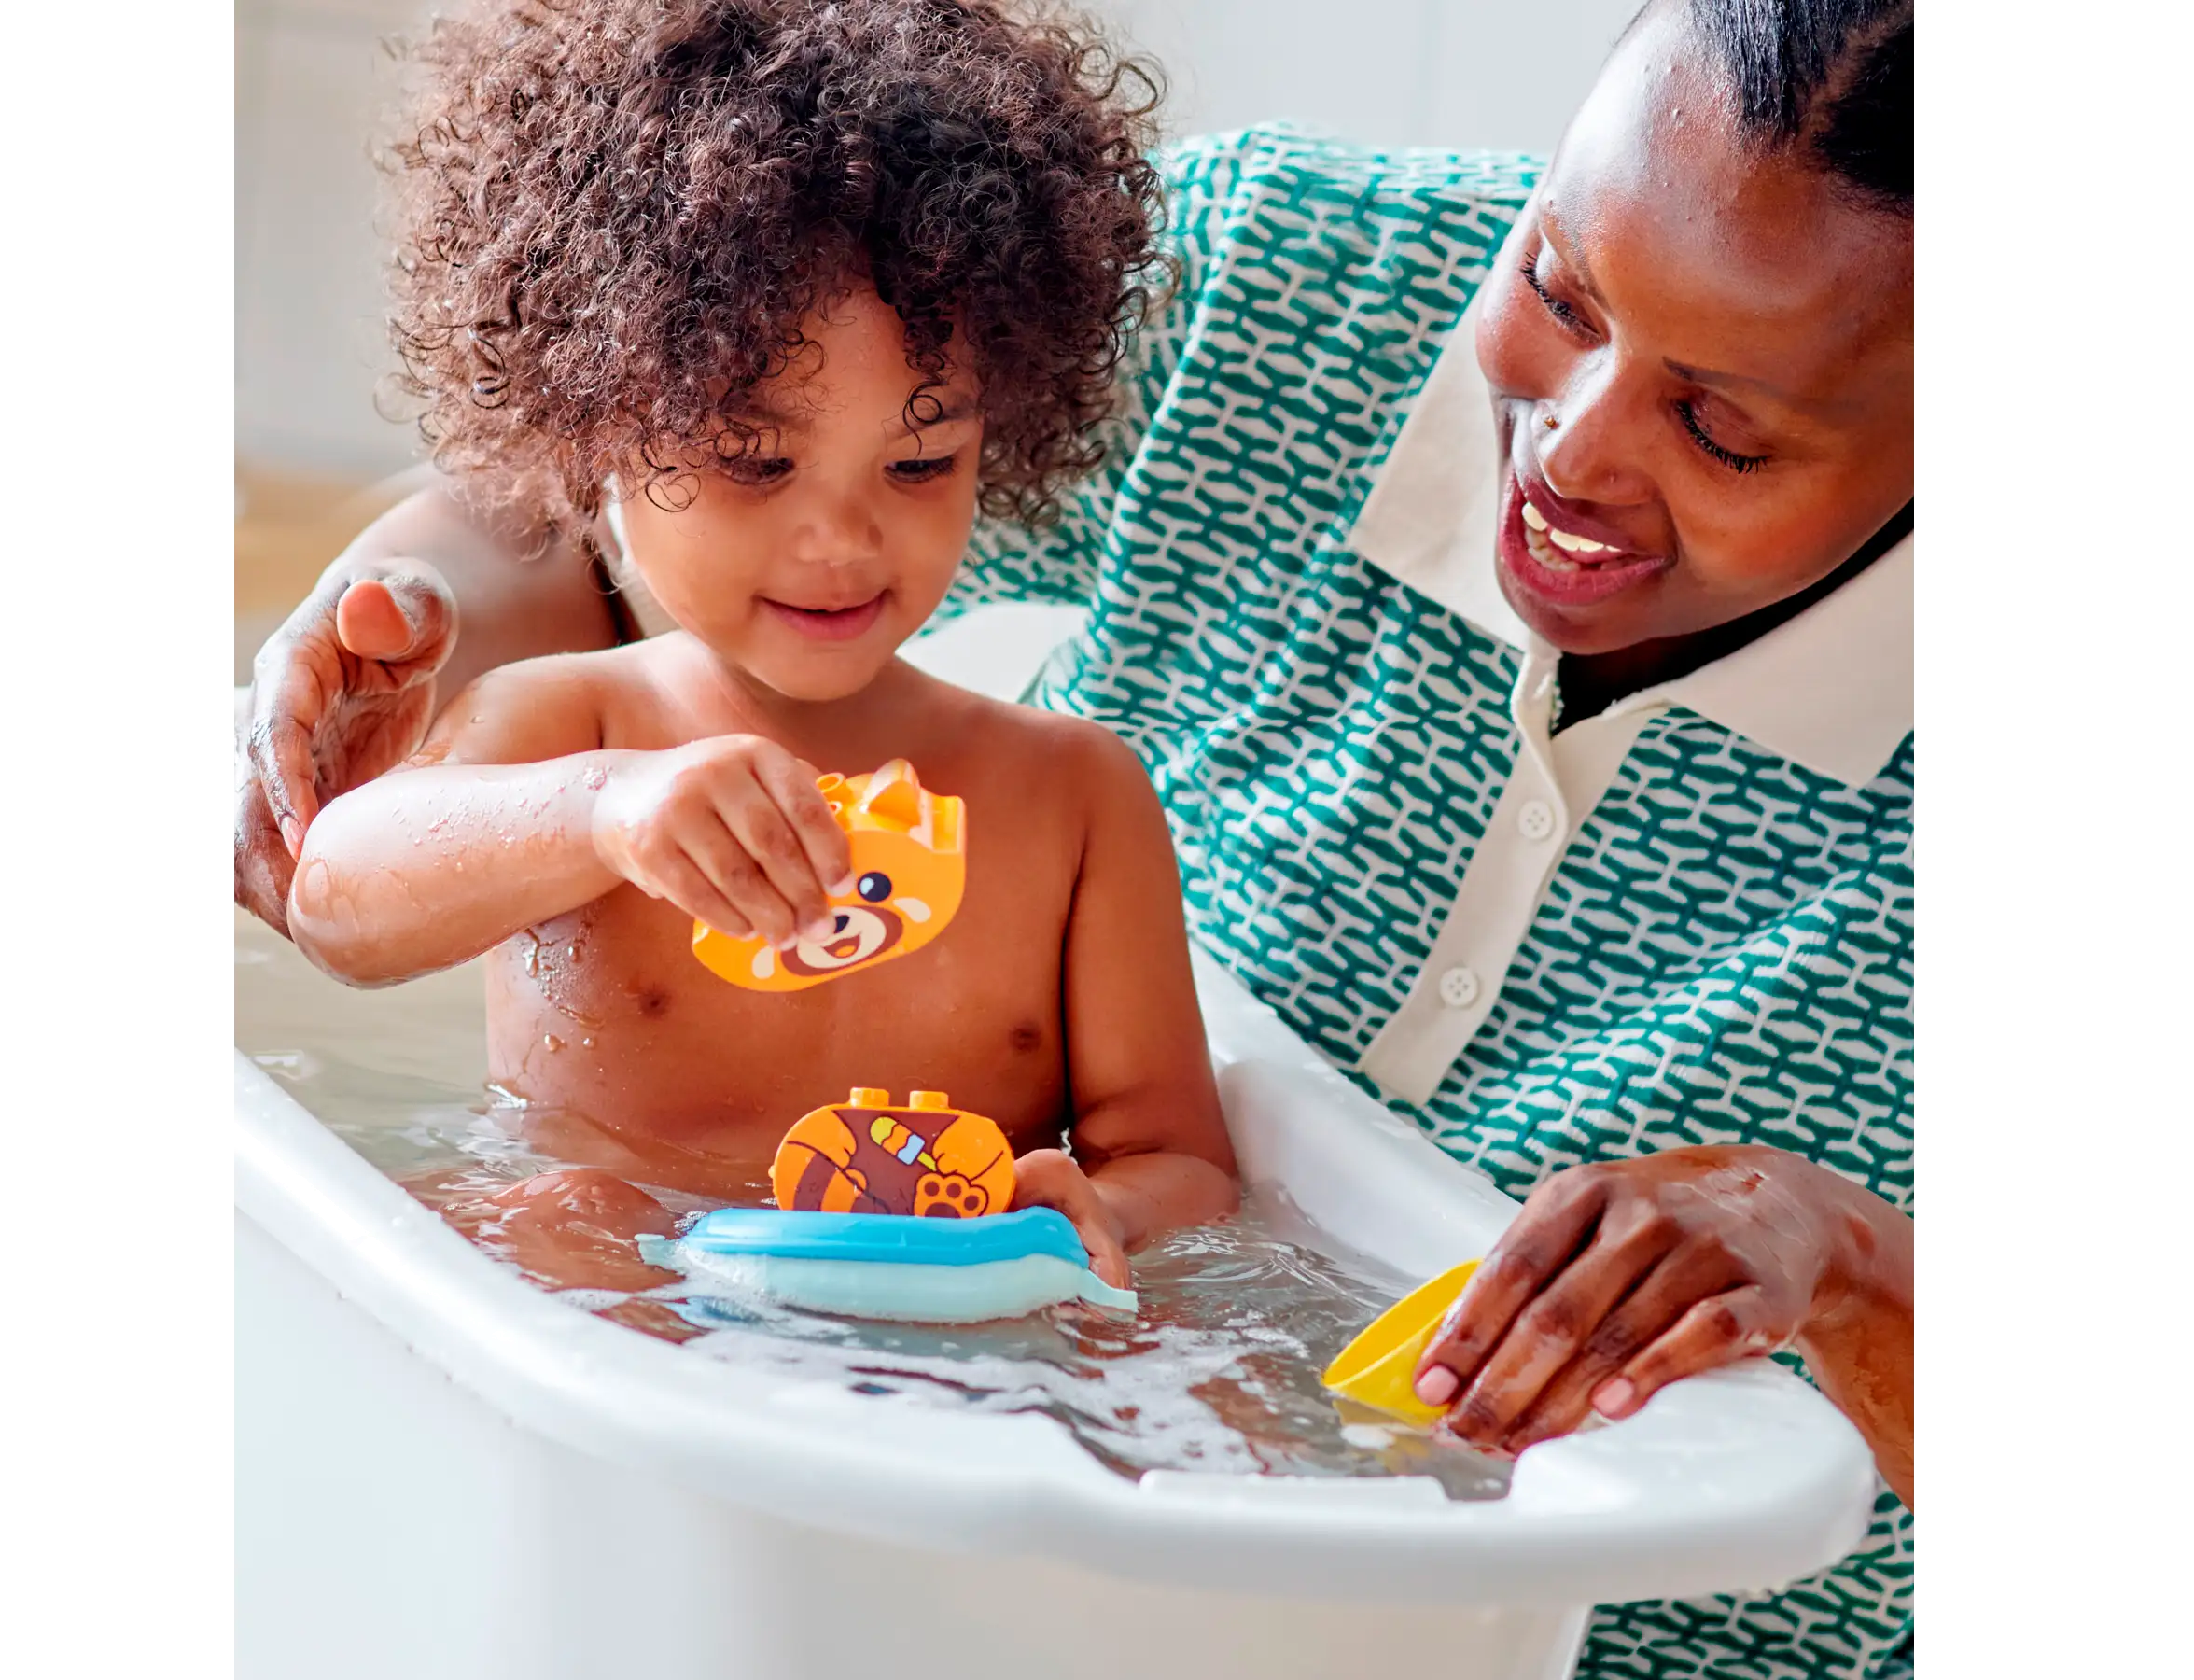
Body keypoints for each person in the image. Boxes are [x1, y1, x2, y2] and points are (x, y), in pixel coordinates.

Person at [232, 1, 1917, 1674]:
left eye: (1725, 428)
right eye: (1556, 285)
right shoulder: (1276, 293)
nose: (1575, 448)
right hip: (673, 1460)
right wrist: (398, 628)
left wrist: (1845, 1257)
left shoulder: (1070, 798)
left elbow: (1172, 1176)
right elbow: (580, 528)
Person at [278, 0, 1239, 1290]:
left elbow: (1184, 1167)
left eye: (919, 460)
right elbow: (336, 901)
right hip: (622, 1317)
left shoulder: (1077, 800)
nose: (841, 539)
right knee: (539, 1215)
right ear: (596, 435)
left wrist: (1085, 1217)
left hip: (946, 1344)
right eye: (753, 461)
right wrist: (600, 816)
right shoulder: (579, 729)